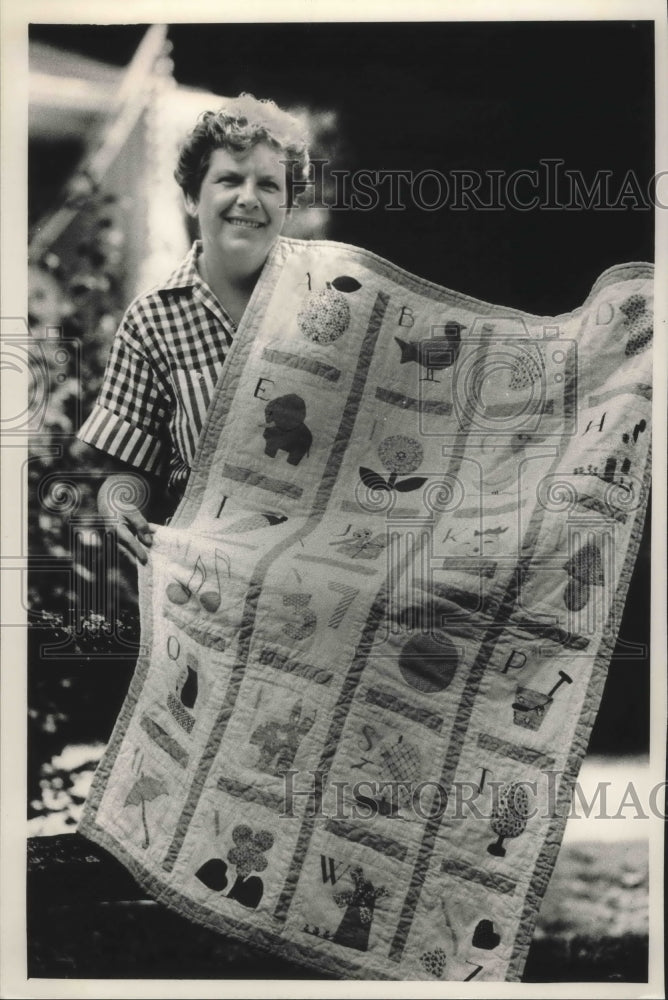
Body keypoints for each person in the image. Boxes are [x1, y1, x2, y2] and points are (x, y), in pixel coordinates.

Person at [77, 94, 310, 563]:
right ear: (190, 196)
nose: (249, 197)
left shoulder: (328, 299)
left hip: (324, 579)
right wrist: (120, 507)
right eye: (228, 179)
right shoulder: (152, 321)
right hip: (209, 585)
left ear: (288, 204)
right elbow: (125, 473)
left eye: (268, 184)